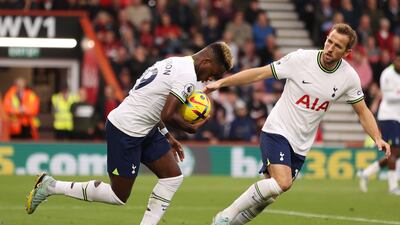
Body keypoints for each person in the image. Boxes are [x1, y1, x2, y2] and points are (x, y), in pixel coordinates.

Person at [25, 42, 233, 225]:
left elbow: (150, 101)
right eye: (213, 74)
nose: (209, 79)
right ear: (205, 62)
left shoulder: (173, 62)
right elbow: (168, 114)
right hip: (126, 130)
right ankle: (51, 186)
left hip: (146, 127)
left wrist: (167, 136)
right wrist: (193, 128)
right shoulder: (187, 76)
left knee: (172, 177)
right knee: (118, 196)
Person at [203, 24, 391, 225]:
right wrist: (222, 83)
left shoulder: (348, 77)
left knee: (271, 192)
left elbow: (362, 111)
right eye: (329, 41)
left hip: (301, 143)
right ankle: (225, 216)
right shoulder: (300, 59)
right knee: (282, 183)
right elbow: (259, 73)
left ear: (347, 53)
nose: (330, 48)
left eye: (337, 46)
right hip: (277, 129)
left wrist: (377, 137)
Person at [359, 51, 400, 195]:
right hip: (388, 116)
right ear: (395, 60)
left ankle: (366, 173)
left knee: (396, 153)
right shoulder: (387, 74)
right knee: (394, 151)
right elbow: (387, 97)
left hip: (398, 117)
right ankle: (393, 187)